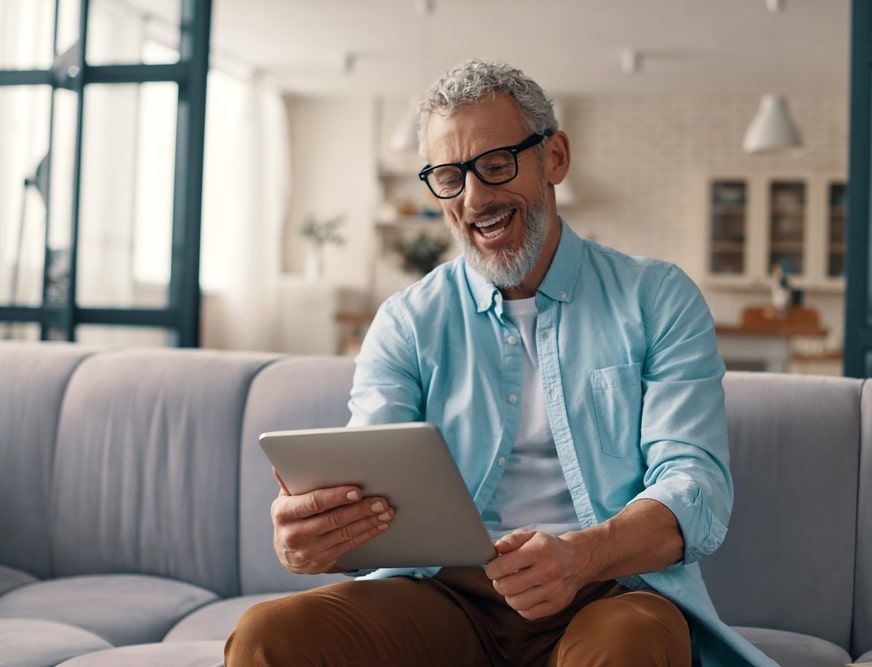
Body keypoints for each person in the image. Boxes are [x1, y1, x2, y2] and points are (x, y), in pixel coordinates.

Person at [226, 59, 777, 667]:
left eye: (496, 165)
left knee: (628, 646)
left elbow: (696, 488)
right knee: (267, 636)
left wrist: (579, 557)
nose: (475, 198)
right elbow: (370, 490)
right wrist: (318, 541)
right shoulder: (407, 321)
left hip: (609, 591)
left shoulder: (657, 298)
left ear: (555, 158)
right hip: (442, 596)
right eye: (448, 176)